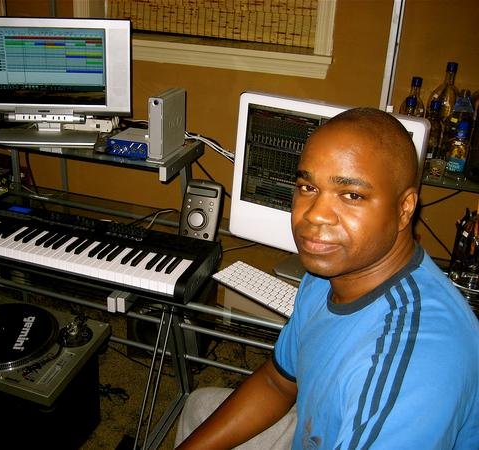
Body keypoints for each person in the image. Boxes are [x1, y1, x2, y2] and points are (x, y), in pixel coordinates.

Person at [174, 107, 479, 449]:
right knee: (198, 406)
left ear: (404, 208)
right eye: (307, 187)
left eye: (352, 195)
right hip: (320, 429)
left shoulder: (415, 364)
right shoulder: (327, 273)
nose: (314, 215)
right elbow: (278, 382)